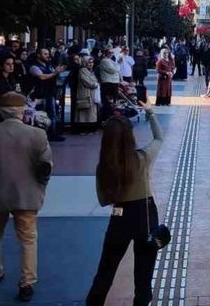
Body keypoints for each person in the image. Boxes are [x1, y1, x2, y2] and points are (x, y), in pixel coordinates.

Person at [0, 92, 53, 302]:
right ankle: (27, 282)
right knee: (28, 239)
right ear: (22, 111)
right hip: (26, 194)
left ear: (0, 110)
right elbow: (45, 166)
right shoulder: (38, 134)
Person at [86, 102, 164, 305]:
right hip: (145, 214)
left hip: (119, 216)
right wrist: (150, 113)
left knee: (107, 267)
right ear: (130, 136)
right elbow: (159, 137)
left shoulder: (104, 167)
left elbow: (103, 200)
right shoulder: (142, 158)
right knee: (144, 272)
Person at [29, 48, 66, 141]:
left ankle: (52, 134)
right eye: (45, 54)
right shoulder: (34, 67)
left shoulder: (49, 66)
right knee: (41, 115)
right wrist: (55, 73)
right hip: (40, 94)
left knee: (52, 114)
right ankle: (41, 134)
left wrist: (58, 72)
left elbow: (54, 75)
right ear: (38, 55)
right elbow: (42, 77)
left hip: (50, 93)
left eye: (48, 54)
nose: (47, 55)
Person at [74, 58, 100, 134]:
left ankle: (90, 129)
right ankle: (84, 130)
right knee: (84, 112)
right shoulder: (83, 70)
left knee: (90, 112)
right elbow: (87, 82)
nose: (91, 64)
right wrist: (95, 84)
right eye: (89, 63)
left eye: (92, 62)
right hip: (85, 94)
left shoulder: (91, 71)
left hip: (91, 94)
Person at [99, 48, 122, 120]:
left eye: (112, 53)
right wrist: (118, 65)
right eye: (109, 52)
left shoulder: (110, 60)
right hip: (108, 83)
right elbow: (113, 70)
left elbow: (117, 69)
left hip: (113, 83)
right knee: (108, 102)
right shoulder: (104, 61)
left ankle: (111, 115)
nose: (111, 54)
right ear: (106, 53)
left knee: (113, 101)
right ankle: (106, 116)